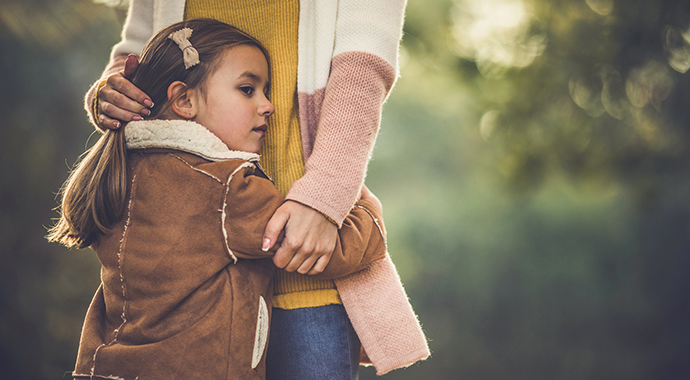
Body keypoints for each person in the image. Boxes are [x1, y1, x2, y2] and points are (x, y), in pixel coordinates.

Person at [87, 1, 429, 378]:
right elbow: (136, 54)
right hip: (303, 263)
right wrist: (367, 219)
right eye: (248, 89)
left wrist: (325, 196)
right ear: (182, 100)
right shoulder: (230, 190)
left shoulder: (119, 181)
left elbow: (365, 61)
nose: (269, 106)